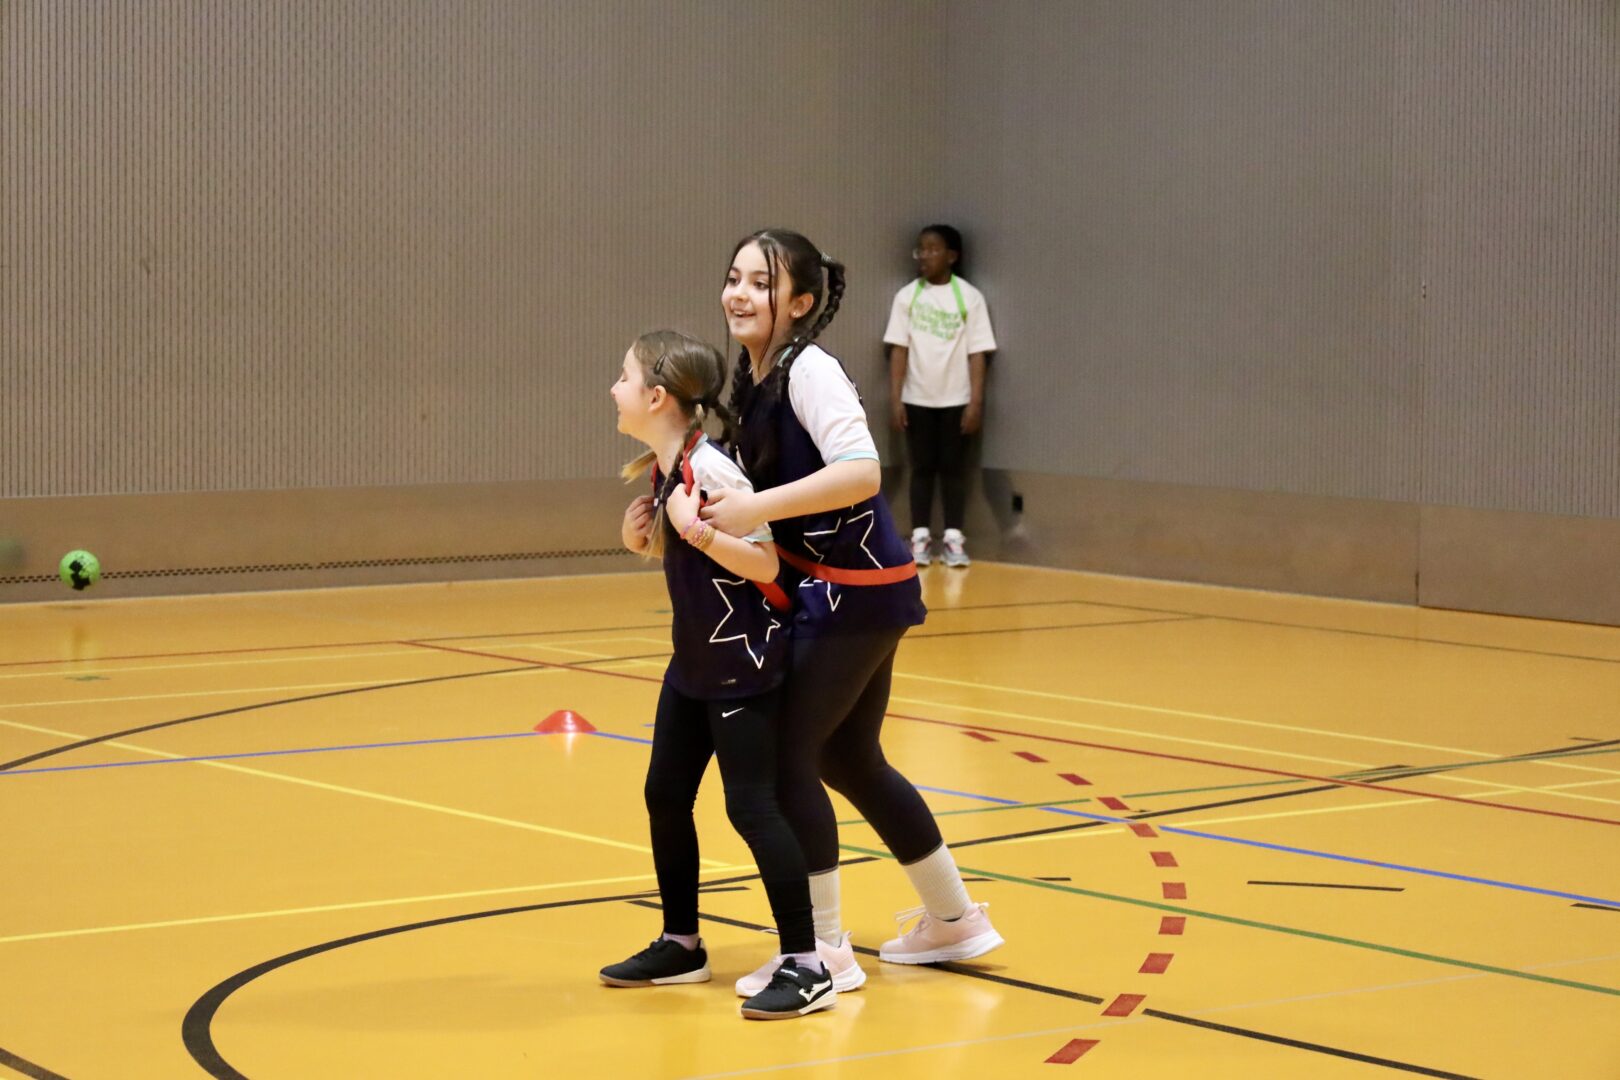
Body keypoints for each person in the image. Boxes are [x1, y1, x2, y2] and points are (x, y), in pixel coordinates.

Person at [701, 229, 1004, 999]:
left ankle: (824, 950)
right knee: (850, 758)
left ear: (801, 302)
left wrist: (754, 510)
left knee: (789, 759)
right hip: (860, 590)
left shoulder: (810, 370)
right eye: (734, 278)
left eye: (761, 283)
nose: (740, 294)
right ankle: (954, 918)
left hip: (853, 590)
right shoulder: (758, 376)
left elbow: (861, 471)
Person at [600, 329, 835, 1020]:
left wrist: (697, 531)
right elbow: (699, 562)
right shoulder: (666, 467)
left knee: (751, 808)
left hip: (741, 665)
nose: (614, 388)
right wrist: (645, 538)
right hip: (694, 663)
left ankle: (808, 964)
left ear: (656, 397)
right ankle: (682, 944)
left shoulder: (712, 470)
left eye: (624, 377)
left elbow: (765, 565)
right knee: (665, 794)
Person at [883, 224, 998, 567]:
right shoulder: (907, 297)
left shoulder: (970, 297)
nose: (925, 256)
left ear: (951, 256)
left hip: (956, 400)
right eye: (921, 249)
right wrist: (896, 398)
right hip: (917, 399)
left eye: (933, 249)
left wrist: (975, 402)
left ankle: (953, 537)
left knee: (953, 469)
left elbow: (978, 353)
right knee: (921, 468)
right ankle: (920, 536)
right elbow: (899, 349)